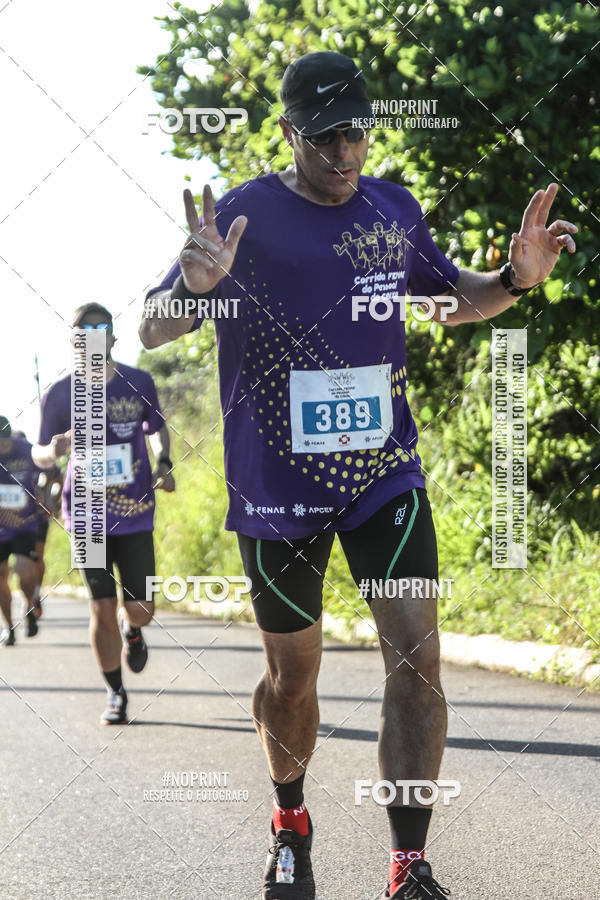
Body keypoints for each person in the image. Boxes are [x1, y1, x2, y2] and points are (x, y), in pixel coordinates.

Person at [140, 51, 577, 899]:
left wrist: (515, 280)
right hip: (277, 492)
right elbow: (155, 328)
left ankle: (409, 863)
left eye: (357, 134)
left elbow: (451, 297)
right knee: (291, 682)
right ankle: (290, 819)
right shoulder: (242, 217)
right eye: (325, 138)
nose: (344, 153)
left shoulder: (392, 208)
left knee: (418, 660)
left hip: (383, 477)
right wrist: (194, 290)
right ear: (287, 132)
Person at [33, 303, 175, 725]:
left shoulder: (138, 381)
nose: (94, 334)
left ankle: (133, 630)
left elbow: (156, 428)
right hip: (88, 516)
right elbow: (40, 452)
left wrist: (164, 463)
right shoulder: (60, 393)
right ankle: (115, 692)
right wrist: (53, 450)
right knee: (101, 605)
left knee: (141, 608)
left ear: (113, 336)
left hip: (135, 511)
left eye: (101, 327)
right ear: (74, 340)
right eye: (84, 329)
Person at [0, 417, 42, 645]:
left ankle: (28, 606)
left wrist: (45, 494)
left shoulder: (26, 449)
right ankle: (8, 627)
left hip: (25, 523)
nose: (3, 447)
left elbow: (50, 471)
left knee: (24, 569)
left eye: (6, 442)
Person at [32, 465, 63, 618]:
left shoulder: (41, 459)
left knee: (37, 557)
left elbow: (59, 479)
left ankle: (35, 595)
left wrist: (51, 504)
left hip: (38, 518)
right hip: (13, 520)